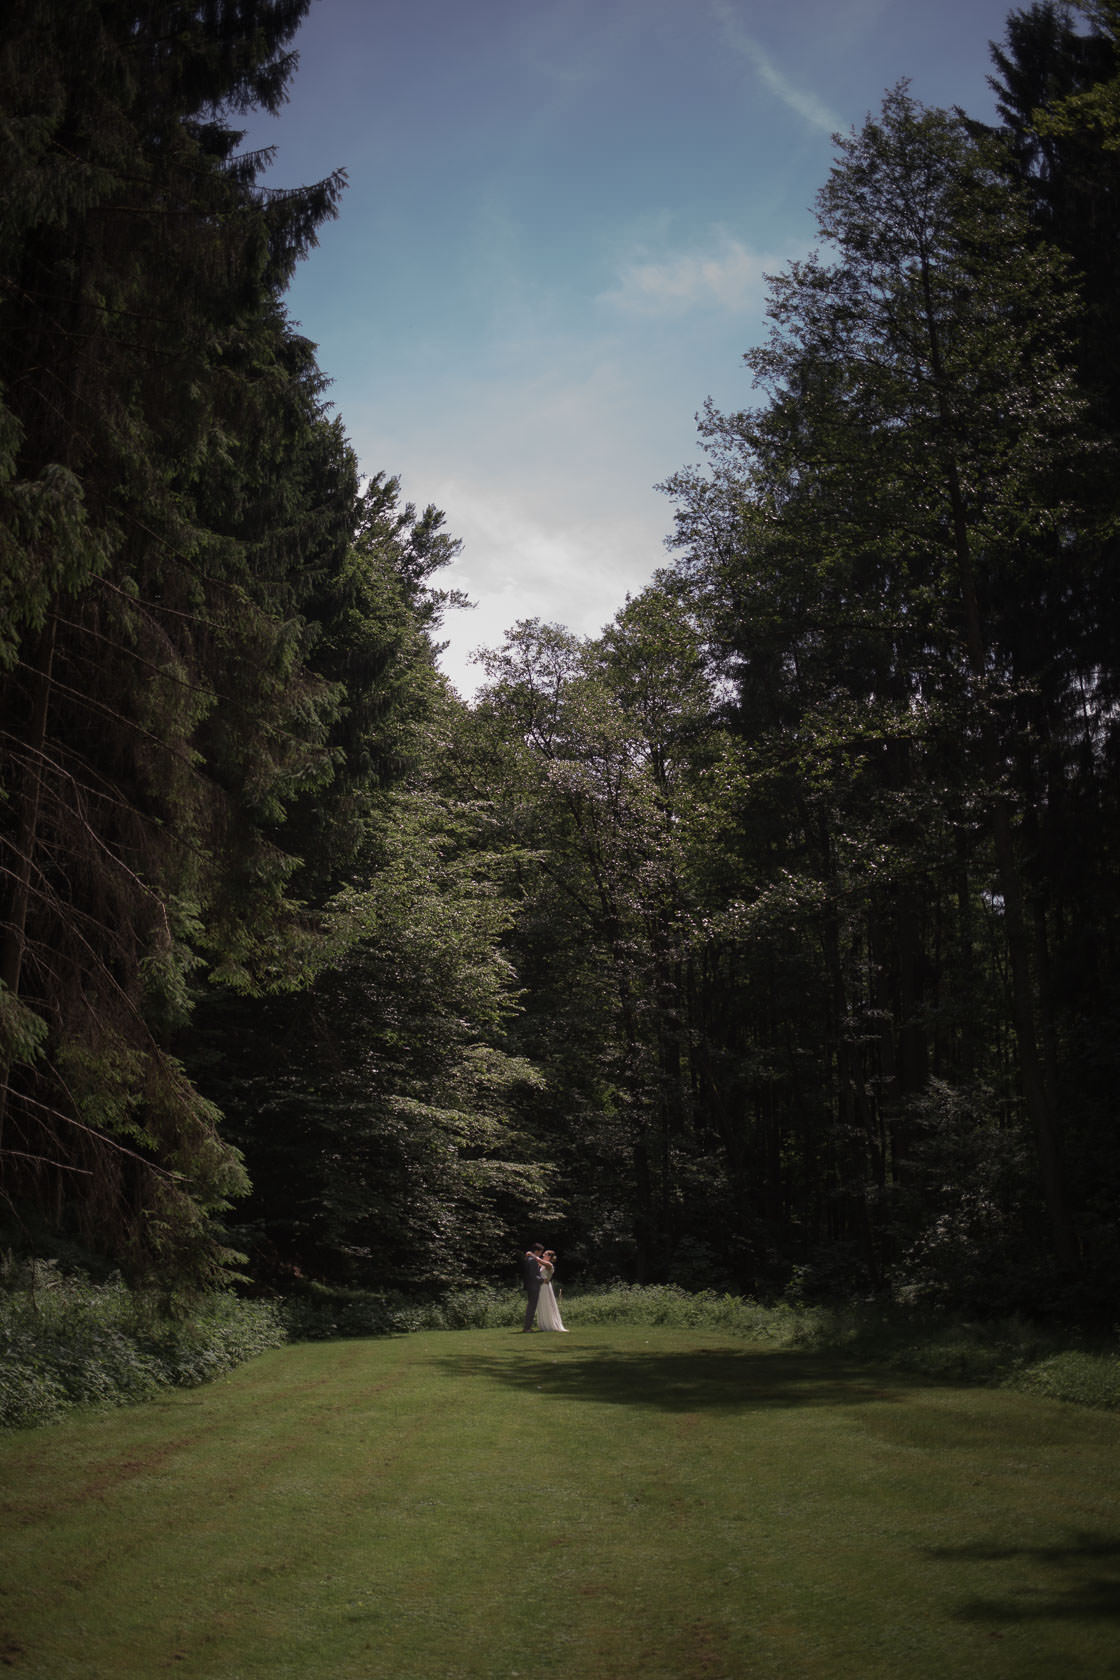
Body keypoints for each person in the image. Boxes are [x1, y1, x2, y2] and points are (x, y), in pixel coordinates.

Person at [535, 1249, 568, 1333]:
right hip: (541, 1286)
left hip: (545, 1287)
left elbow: (537, 1259)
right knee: (542, 1305)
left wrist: (531, 1254)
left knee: (546, 1304)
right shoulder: (543, 1264)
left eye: (545, 1254)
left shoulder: (549, 1264)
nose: (543, 1255)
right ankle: (544, 1324)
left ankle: (550, 1325)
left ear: (549, 1257)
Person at [521, 1243, 545, 1331]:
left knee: (531, 1306)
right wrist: (542, 1280)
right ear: (536, 1251)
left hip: (530, 1285)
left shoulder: (528, 1259)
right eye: (541, 1252)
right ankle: (527, 1327)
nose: (541, 1254)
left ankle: (527, 1327)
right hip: (533, 1286)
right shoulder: (532, 1260)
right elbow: (533, 1275)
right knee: (532, 1306)